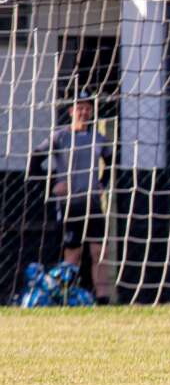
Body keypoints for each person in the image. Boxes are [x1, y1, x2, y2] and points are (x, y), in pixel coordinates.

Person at [29, 91, 114, 304]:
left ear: (92, 111)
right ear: (71, 111)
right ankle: (69, 297)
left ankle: (103, 299)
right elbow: (35, 161)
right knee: (73, 254)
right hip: (69, 205)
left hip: (93, 203)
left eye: (87, 107)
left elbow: (112, 162)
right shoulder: (60, 136)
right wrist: (52, 185)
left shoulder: (98, 138)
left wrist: (103, 183)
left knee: (99, 252)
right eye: (79, 108)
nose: (83, 111)